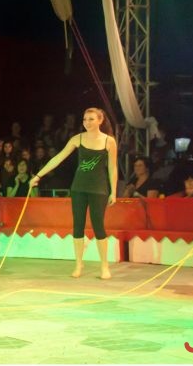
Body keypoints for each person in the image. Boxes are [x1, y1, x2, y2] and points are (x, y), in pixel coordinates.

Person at [30, 108, 118, 279]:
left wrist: (114, 192)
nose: (87, 122)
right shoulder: (78, 138)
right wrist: (38, 175)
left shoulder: (109, 141)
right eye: (85, 119)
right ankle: (78, 263)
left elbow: (112, 168)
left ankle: (104, 265)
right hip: (79, 188)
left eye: (91, 119)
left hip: (99, 189)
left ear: (100, 120)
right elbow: (58, 158)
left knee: (98, 226)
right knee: (78, 225)